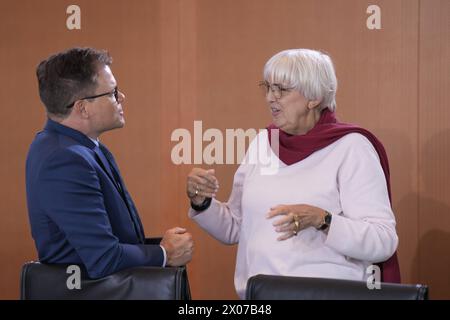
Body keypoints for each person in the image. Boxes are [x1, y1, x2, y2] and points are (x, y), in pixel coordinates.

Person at [186, 49, 400, 298]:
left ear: (314, 97)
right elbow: (237, 227)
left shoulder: (351, 147)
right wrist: (202, 203)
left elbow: (382, 240)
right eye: (267, 87)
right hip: (260, 298)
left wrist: (323, 219)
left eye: (282, 90)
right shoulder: (266, 143)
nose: (270, 97)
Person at [26, 47, 193, 279]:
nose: (121, 97)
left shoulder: (81, 148)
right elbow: (103, 258)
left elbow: (111, 242)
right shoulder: (65, 158)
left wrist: (162, 247)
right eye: (113, 92)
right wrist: (164, 253)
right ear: (82, 107)